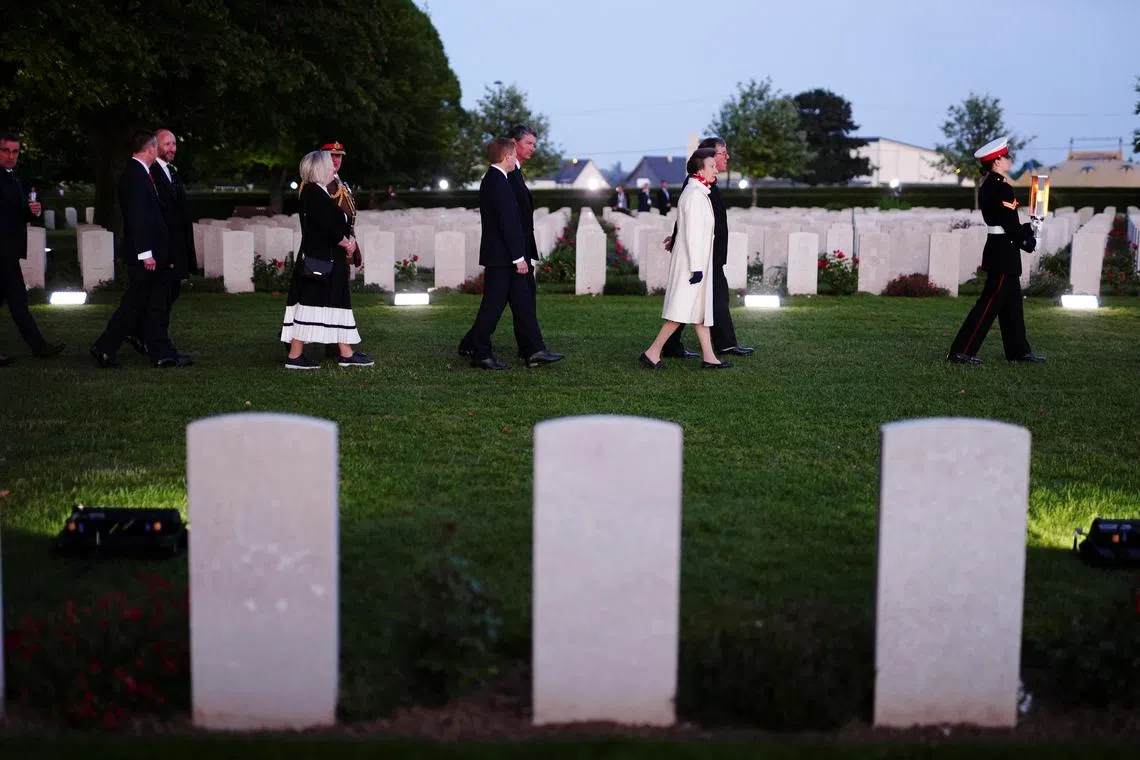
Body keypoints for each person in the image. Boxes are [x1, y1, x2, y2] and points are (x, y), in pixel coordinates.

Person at [458, 124, 562, 368]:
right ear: (510, 150)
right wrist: (518, 256)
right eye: (527, 145)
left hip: (511, 252)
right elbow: (509, 220)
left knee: (521, 301)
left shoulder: (500, 177)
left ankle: (533, 350)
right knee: (493, 305)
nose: (531, 150)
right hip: (506, 254)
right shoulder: (499, 179)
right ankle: (478, 348)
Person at [946, 136, 1046, 366]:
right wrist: (1028, 241)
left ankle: (1018, 351)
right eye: (1006, 156)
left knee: (1012, 305)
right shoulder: (1001, 188)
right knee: (989, 303)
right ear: (997, 161)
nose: (1010, 159)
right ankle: (961, 351)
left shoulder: (992, 186)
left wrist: (1029, 227)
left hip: (1002, 250)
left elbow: (1005, 222)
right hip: (1003, 253)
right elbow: (1008, 224)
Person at [91, 130, 185, 369]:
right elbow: (137, 218)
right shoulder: (135, 175)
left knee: (141, 303)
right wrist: (146, 254)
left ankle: (155, 350)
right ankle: (104, 346)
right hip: (143, 254)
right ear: (151, 148)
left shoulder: (140, 174)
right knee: (133, 304)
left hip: (150, 253)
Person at [661, 137, 753, 359]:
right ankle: (723, 345)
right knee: (713, 297)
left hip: (711, 250)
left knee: (696, 300)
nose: (726, 157)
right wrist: (676, 237)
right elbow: (687, 217)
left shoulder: (709, 182)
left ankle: (675, 346)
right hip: (703, 251)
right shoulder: (696, 184)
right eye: (722, 153)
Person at [639, 148, 731, 370]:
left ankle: (709, 357)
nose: (715, 169)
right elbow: (691, 235)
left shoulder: (699, 192)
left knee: (699, 311)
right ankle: (652, 352)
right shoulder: (693, 196)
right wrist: (697, 269)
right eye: (711, 166)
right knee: (680, 311)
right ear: (699, 169)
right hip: (692, 265)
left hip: (698, 263)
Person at [280, 150, 371, 369]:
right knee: (311, 304)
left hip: (326, 258)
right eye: (330, 164)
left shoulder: (318, 191)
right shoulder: (313, 192)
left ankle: (345, 352)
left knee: (333, 304)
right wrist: (347, 243)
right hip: (321, 259)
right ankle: (295, 355)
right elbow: (327, 226)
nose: (334, 168)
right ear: (320, 168)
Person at [125, 128, 196, 363]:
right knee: (159, 300)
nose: (172, 149)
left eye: (174, 144)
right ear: (155, 147)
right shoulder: (149, 173)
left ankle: (148, 337)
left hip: (175, 247)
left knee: (166, 297)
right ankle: (157, 345)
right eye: (167, 144)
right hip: (163, 249)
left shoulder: (170, 172)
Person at [0, 132, 65, 366]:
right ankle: (39, 346)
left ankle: (39, 346)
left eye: (15, 151)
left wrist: (33, 210)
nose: (10, 156)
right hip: (3, 250)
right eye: (6, 150)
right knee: (18, 300)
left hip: (10, 248)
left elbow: (17, 211)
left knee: (17, 302)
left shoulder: (15, 178)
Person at [319, 141, 363, 358]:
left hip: (342, 247)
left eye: (339, 157)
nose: (336, 160)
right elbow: (328, 221)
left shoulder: (338, 183)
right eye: (331, 156)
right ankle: (294, 338)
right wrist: (345, 242)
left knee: (336, 296)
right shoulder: (321, 184)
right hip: (330, 249)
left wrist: (353, 245)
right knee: (324, 297)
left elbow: (348, 219)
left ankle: (336, 344)